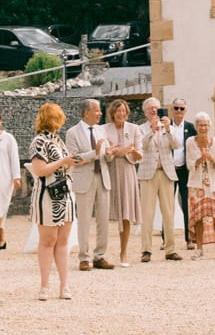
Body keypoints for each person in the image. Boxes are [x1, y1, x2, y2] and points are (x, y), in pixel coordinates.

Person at [25, 102, 75, 300]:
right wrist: (63, 161)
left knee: (63, 241)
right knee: (48, 240)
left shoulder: (58, 141)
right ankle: (44, 285)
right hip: (47, 193)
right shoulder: (38, 142)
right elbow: (40, 170)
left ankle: (64, 285)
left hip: (65, 192)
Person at [134, 97, 186, 262]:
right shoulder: (140, 129)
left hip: (166, 173)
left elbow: (177, 145)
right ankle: (146, 250)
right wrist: (152, 130)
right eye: (150, 108)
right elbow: (141, 146)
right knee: (147, 214)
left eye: (156, 108)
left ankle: (170, 249)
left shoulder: (167, 127)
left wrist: (168, 130)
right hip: (148, 174)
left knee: (169, 213)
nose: (154, 111)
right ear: (145, 111)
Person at [65, 99, 108, 270]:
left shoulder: (102, 130)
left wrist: (110, 153)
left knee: (103, 219)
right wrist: (94, 153)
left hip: (103, 177)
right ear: (86, 112)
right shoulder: (72, 133)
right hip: (84, 180)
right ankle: (84, 257)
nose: (100, 113)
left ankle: (100, 256)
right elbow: (73, 159)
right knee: (84, 220)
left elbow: (106, 154)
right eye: (97, 110)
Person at [100, 97, 142, 266]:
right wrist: (117, 151)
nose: (121, 114)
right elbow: (105, 152)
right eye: (118, 111)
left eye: (124, 111)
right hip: (109, 171)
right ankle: (101, 253)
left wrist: (126, 151)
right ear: (112, 113)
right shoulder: (103, 129)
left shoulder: (134, 128)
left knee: (126, 213)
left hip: (127, 171)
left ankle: (123, 253)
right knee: (105, 211)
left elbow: (139, 153)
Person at [186, 116, 215, 258]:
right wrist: (200, 159)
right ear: (196, 127)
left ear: (209, 126)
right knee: (198, 217)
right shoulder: (190, 142)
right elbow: (189, 165)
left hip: (214, 184)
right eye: (200, 125)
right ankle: (199, 248)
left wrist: (210, 158)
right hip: (196, 184)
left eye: (205, 125)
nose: (203, 128)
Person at [0, 109, 21, 253]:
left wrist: (16, 176)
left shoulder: (8, 138)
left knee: (2, 207)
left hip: (4, 178)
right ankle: (2, 238)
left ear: (0, 121)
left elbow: (14, 158)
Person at [167, 99, 194, 237]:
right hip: (169, 171)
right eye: (176, 108)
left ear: (185, 110)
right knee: (167, 205)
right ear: (172, 109)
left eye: (181, 108)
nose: (178, 111)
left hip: (184, 170)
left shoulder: (191, 127)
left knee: (186, 204)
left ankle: (188, 236)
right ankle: (166, 238)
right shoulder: (165, 127)